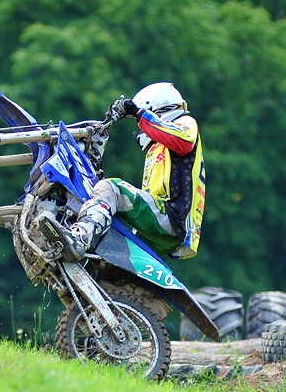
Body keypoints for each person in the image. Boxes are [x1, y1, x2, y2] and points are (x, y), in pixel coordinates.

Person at [38, 82, 205, 262]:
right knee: (108, 233)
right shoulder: (158, 150)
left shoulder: (185, 123)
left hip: (172, 216)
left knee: (112, 188)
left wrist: (138, 112)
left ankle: (79, 239)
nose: (140, 129)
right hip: (164, 221)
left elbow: (182, 141)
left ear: (158, 109)